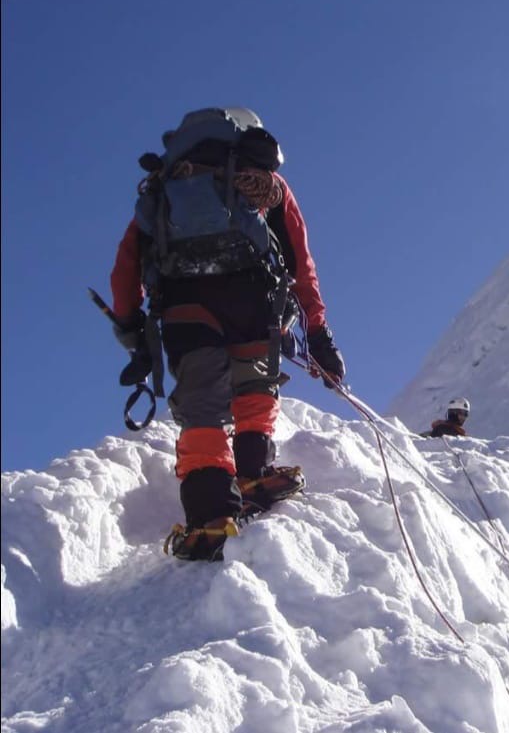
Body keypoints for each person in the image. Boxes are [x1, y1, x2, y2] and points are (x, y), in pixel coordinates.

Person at [110, 107, 346, 560]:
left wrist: (131, 329)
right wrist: (319, 335)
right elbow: (300, 262)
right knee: (255, 385)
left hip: (184, 304)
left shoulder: (164, 191)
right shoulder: (264, 188)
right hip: (253, 300)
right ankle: (253, 474)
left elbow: (126, 265)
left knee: (202, 405)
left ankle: (211, 515)